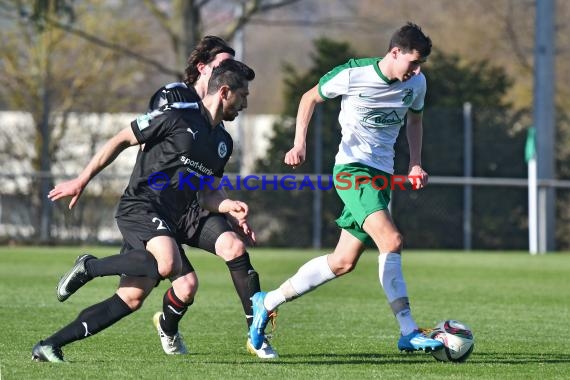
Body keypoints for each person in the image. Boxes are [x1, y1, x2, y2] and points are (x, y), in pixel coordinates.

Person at [49, 37, 277, 359]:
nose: (245, 105)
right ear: (223, 90)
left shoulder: (222, 142)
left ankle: (255, 333)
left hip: (185, 209)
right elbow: (123, 138)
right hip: (146, 205)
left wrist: (228, 207)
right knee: (157, 272)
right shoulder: (175, 109)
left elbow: (209, 190)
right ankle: (90, 266)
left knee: (186, 279)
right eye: (243, 96)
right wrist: (82, 179)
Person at [249, 22, 444, 354]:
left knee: (342, 261)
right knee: (392, 239)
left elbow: (415, 120)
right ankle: (408, 330)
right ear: (394, 53)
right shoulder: (354, 74)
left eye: (420, 64)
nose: (416, 70)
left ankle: (267, 302)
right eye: (412, 62)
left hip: (381, 177)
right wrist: (299, 144)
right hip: (352, 171)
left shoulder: (417, 83)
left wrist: (414, 162)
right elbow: (309, 97)